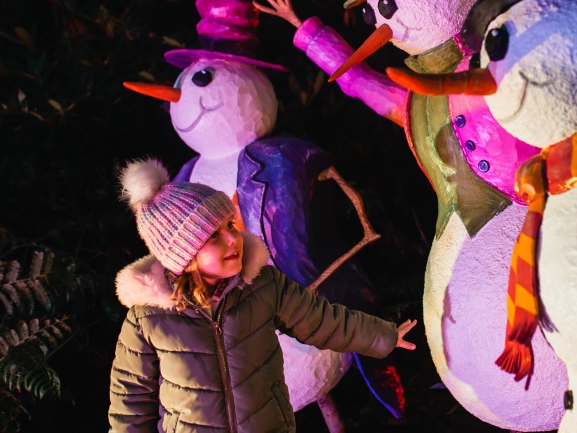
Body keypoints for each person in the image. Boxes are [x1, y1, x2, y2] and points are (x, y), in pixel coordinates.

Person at [108, 158, 416, 432]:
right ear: (183, 256)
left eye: (229, 224)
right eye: (214, 235)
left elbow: (322, 320)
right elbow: (130, 400)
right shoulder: (148, 319)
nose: (233, 238)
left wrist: (382, 336)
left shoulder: (263, 285)